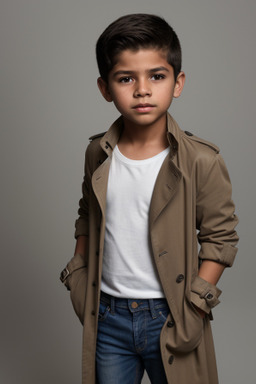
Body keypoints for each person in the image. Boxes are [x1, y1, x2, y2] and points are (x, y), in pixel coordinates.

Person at [60, 13, 238, 384]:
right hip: (108, 316)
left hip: (170, 314)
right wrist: (78, 274)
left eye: (156, 76)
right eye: (126, 78)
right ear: (105, 88)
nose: (142, 90)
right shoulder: (98, 153)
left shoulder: (201, 160)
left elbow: (220, 237)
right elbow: (85, 214)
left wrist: (194, 305)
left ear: (177, 83)